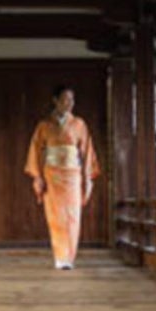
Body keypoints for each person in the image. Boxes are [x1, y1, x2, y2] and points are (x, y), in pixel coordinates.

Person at [24, 85, 100, 270]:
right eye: (65, 99)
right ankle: (60, 257)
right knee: (55, 216)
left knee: (73, 216)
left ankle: (70, 257)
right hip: (52, 174)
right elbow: (35, 150)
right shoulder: (44, 125)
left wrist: (87, 177)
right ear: (55, 100)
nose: (69, 104)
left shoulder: (79, 124)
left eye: (72, 100)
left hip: (73, 175)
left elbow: (87, 151)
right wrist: (38, 176)